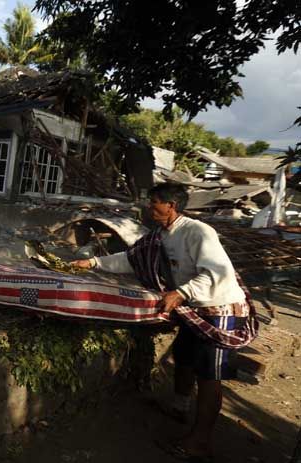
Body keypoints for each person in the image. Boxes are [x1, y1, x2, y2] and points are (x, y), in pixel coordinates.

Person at [71, 183, 254, 462]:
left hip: (220, 309)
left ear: (172, 206)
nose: (148, 206)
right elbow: (132, 259)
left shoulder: (198, 232)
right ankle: (180, 406)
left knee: (209, 376)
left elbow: (217, 273)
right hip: (195, 309)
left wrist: (181, 292)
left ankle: (200, 442)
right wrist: (94, 263)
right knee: (183, 357)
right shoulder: (158, 236)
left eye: (154, 201)